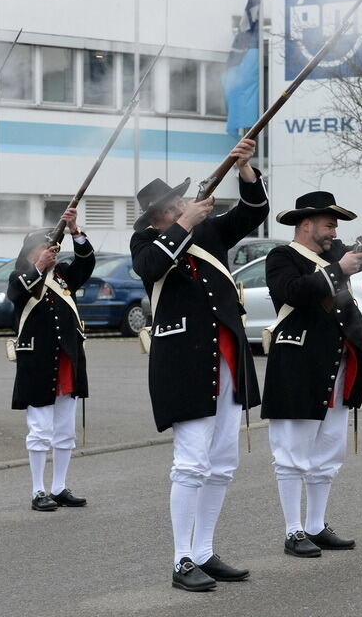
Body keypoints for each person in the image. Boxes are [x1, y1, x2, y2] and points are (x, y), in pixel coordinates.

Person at [130, 138, 267, 592]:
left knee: (222, 461)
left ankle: (205, 550)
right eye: (178, 201)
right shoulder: (147, 239)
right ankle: (181, 558)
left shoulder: (207, 233)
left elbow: (253, 213)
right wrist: (185, 224)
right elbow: (151, 267)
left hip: (226, 356)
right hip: (183, 361)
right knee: (190, 463)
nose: (187, 202)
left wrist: (246, 170)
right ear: (163, 213)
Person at [262, 192, 362, 557]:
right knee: (292, 453)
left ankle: (316, 525)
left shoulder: (333, 254)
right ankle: (293, 531)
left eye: (335, 226)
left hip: (337, 364)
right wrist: (338, 269)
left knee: (327, 453)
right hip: (298, 366)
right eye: (328, 225)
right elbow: (291, 291)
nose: (333, 232)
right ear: (306, 225)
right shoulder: (282, 257)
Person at [6, 208, 94, 513]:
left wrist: (75, 231)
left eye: (53, 248)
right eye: (46, 248)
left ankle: (58, 487)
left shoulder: (62, 276)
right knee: (40, 430)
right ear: (31, 253)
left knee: (65, 431)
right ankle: (37, 490)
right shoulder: (21, 276)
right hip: (38, 363)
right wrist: (38, 268)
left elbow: (86, 263)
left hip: (67, 361)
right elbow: (16, 293)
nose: (52, 252)